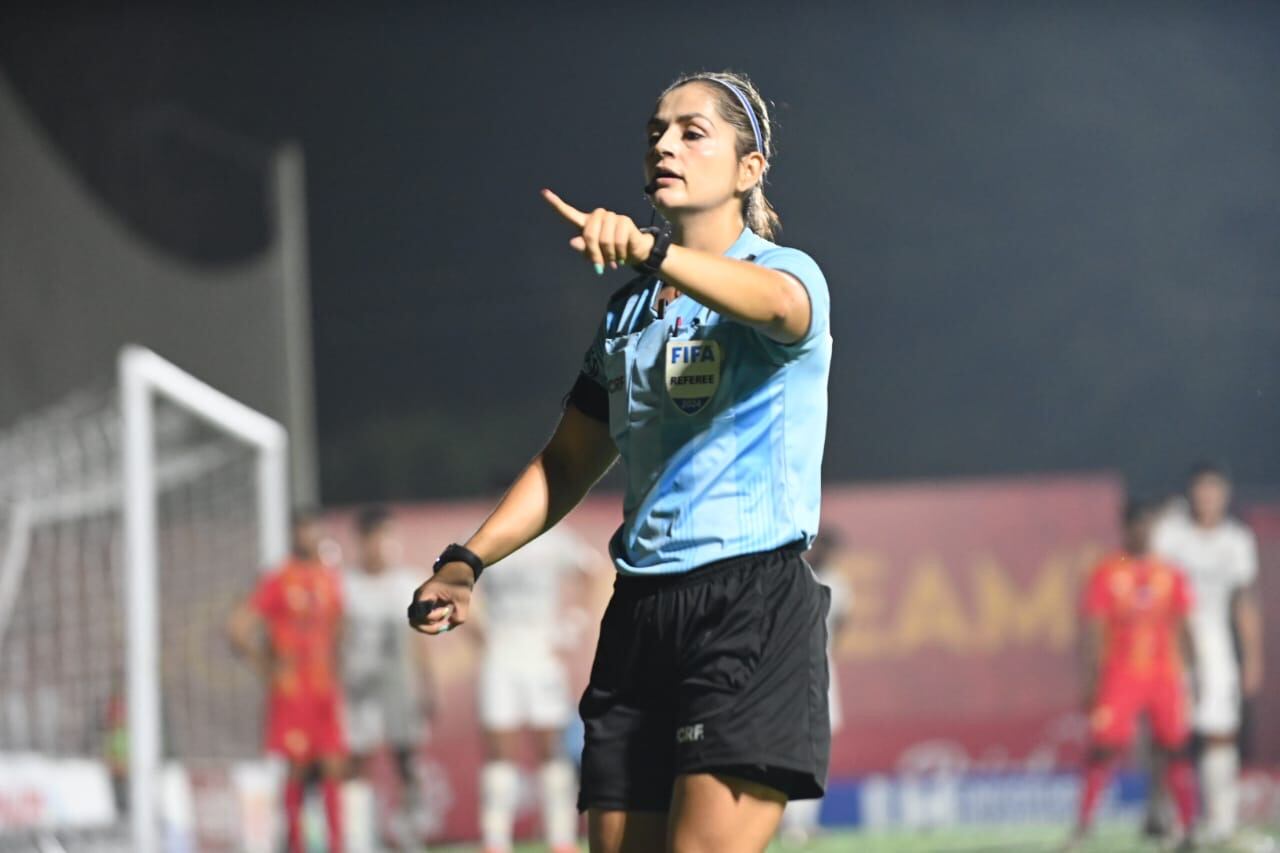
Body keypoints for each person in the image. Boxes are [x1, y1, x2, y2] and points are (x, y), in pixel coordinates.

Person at [409, 69, 832, 853]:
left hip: (746, 602)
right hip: (639, 612)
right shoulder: (628, 311)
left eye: (692, 131)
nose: (664, 144)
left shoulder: (788, 273)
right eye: (655, 133)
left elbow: (777, 308)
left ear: (750, 168)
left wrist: (649, 249)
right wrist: (468, 559)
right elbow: (569, 461)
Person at [1069, 499, 1198, 849]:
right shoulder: (1107, 572)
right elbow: (1094, 630)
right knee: (1103, 749)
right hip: (1120, 675)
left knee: (1176, 750)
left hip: (1164, 675)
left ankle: (1187, 828)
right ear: (1124, 529)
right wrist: (1092, 678)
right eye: (1135, 526)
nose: (1142, 533)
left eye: (1147, 527)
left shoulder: (1170, 573)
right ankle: (1083, 828)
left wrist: (1194, 674)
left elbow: (1185, 626)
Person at [1153, 463, 1264, 843]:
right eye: (1201, 490)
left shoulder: (1236, 541)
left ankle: (1222, 822)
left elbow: (1243, 602)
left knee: (1220, 731)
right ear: (1191, 493)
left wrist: (1252, 657)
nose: (1207, 499)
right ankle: (1172, 817)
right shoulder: (1171, 535)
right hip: (1170, 640)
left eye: (1214, 491)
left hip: (1214, 641)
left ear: (1225, 495)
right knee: (1172, 733)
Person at [228, 510, 347, 853]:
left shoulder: (329, 578)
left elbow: (339, 628)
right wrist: (267, 668)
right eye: (303, 530)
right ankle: (294, 844)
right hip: (293, 691)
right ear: (293, 536)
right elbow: (238, 630)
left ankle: (337, 845)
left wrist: (336, 669)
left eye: (314, 530)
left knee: (333, 767)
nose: (310, 537)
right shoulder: (278, 580)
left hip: (324, 690)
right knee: (295, 769)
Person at [474, 523, 596, 853]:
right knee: (500, 748)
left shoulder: (554, 539)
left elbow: (590, 569)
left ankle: (562, 840)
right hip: (501, 650)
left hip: (541, 649)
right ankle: (495, 842)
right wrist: (477, 628)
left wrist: (574, 624)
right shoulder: (488, 537)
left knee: (551, 747)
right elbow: (461, 582)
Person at [341, 505, 435, 848]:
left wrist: (427, 686)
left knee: (406, 760)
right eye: (380, 537)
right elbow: (336, 641)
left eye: (391, 537)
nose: (387, 545)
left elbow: (419, 642)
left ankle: (410, 834)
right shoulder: (345, 586)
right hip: (359, 687)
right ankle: (358, 839)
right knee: (357, 761)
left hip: (399, 688)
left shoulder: (407, 583)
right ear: (364, 541)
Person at [779, 532, 850, 846]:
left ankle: (804, 822)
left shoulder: (839, 584)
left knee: (818, 743)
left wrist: (828, 653)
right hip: (787, 669)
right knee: (786, 740)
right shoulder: (793, 574)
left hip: (821, 667)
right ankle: (783, 821)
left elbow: (844, 623)